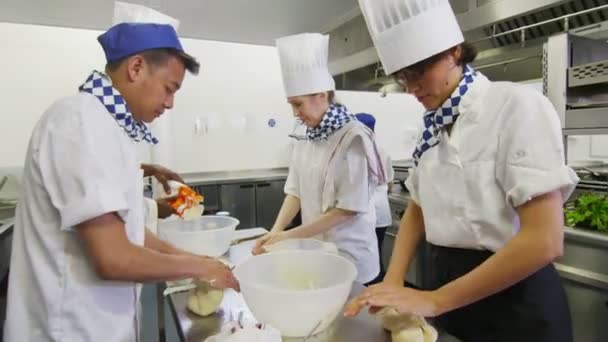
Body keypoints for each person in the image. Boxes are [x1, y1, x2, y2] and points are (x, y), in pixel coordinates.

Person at [345, 1, 579, 341]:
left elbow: (544, 240)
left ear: (454, 52)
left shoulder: (514, 106)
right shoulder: (434, 126)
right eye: (401, 77)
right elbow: (418, 206)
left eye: (418, 71)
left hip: (513, 297)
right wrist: (393, 279)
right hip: (449, 289)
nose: (410, 88)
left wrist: (435, 300)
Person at [3, 4, 238, 342]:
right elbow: (113, 258)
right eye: (169, 88)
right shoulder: (80, 121)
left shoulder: (111, 130)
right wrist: (200, 268)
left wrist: (194, 258)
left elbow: (131, 233)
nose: (170, 103)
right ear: (137, 67)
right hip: (67, 329)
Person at [252, 33, 386, 284]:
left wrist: (289, 237)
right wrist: (276, 232)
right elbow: (295, 192)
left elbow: (346, 210)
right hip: (317, 253)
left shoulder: (354, 138)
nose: (295, 113)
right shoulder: (306, 136)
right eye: (291, 104)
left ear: (322, 96)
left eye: (298, 104)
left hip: (352, 259)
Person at [354, 113, 394, 285]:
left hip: (365, 213)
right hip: (382, 212)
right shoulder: (382, 150)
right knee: (376, 253)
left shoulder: (357, 151)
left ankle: (372, 293)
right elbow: (389, 182)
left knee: (367, 259)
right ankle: (379, 289)